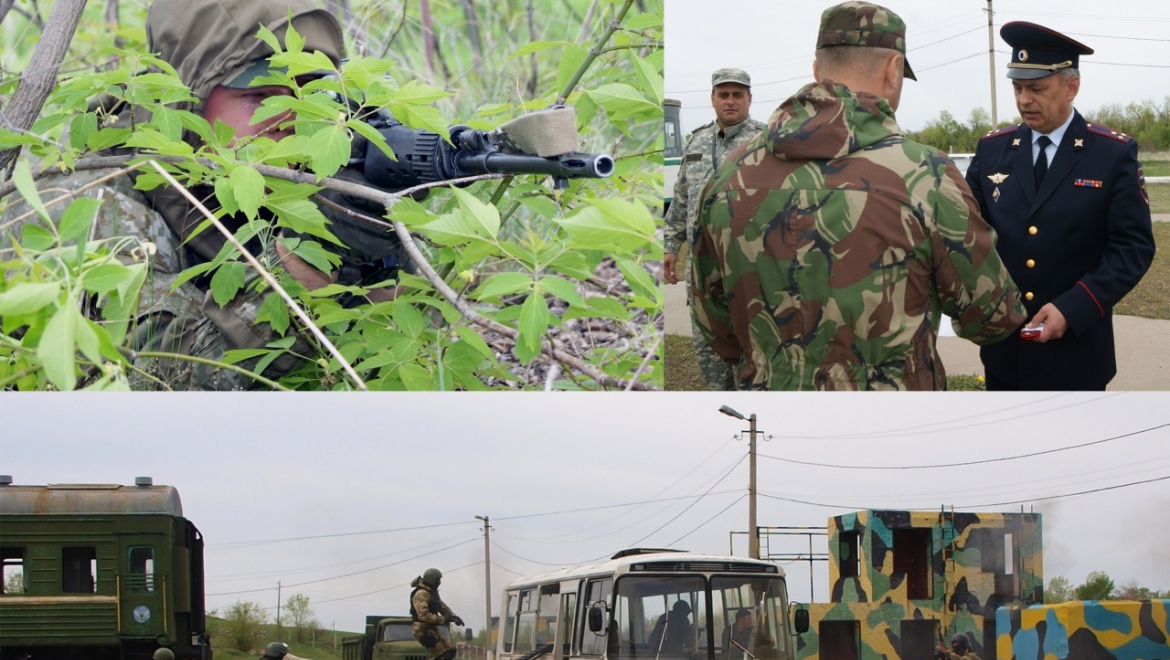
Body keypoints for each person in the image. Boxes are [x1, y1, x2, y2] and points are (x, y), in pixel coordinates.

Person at [0, 0, 405, 390]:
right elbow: (155, 387)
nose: (291, 120)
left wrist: (379, 252)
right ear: (186, 99)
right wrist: (302, 266)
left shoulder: (306, 183)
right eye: (260, 97)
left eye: (309, 94)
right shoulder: (82, 202)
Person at [689, 1, 1025, 390]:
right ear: (893, 70)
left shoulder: (728, 176)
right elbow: (993, 315)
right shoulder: (925, 176)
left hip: (770, 406)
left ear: (817, 70)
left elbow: (714, 324)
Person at [965, 22, 1155, 390]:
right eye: (1017, 88)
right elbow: (970, 235)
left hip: (1078, 354)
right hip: (1006, 353)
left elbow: (1133, 248)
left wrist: (1074, 307)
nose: (1023, 100)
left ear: (1071, 87)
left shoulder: (1112, 154)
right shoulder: (992, 150)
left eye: (1036, 89)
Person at [663, 67, 768, 391]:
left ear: (750, 98)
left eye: (738, 95)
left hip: (751, 265)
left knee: (753, 344)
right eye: (724, 95)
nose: (731, 101)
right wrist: (670, 246)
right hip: (701, 266)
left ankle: (750, 399)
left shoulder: (768, 141)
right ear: (712, 99)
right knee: (708, 344)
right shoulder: (696, 140)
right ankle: (718, 396)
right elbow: (681, 198)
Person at [410, 568, 464, 660]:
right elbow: (423, 615)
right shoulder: (421, 594)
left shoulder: (431, 592)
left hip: (431, 629)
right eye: (438, 580)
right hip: (422, 630)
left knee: (450, 651)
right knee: (442, 655)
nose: (439, 582)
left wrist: (454, 618)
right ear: (432, 579)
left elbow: (442, 607)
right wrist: (443, 619)